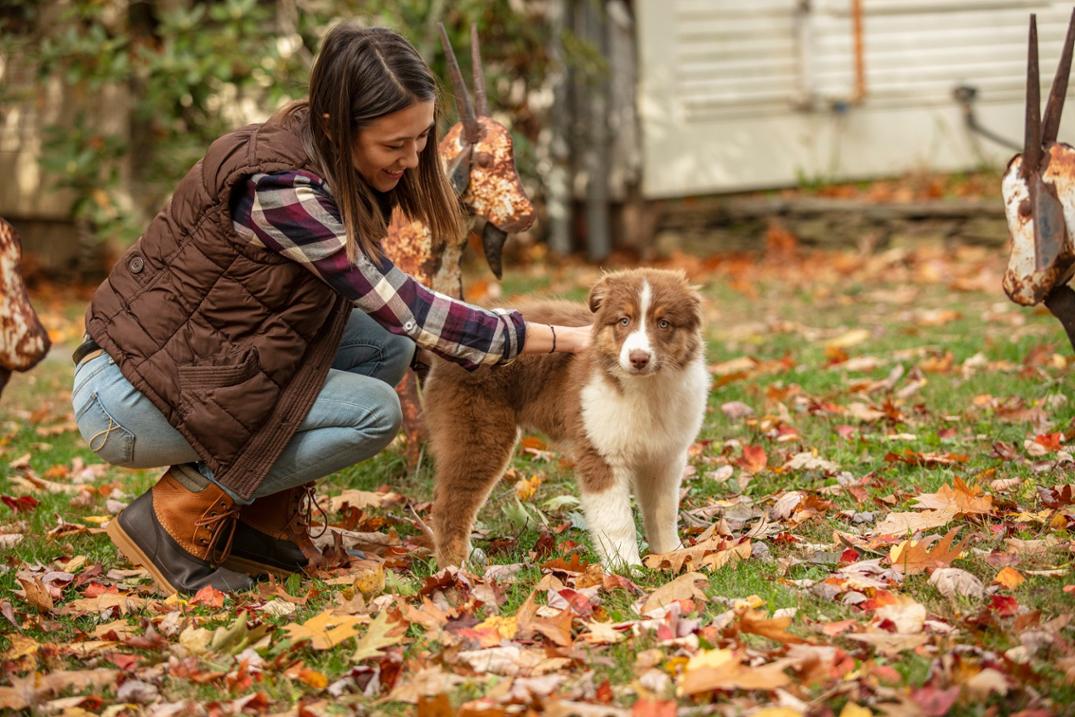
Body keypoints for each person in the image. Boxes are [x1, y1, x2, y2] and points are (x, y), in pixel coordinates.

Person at [70, 24, 590, 596]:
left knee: (385, 346)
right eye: (395, 145)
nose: (414, 159)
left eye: (421, 138)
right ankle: (174, 516)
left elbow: (396, 324)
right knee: (372, 412)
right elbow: (408, 306)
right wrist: (565, 337)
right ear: (335, 127)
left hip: (197, 364)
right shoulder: (281, 189)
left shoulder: (326, 160)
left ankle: (253, 521)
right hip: (126, 398)